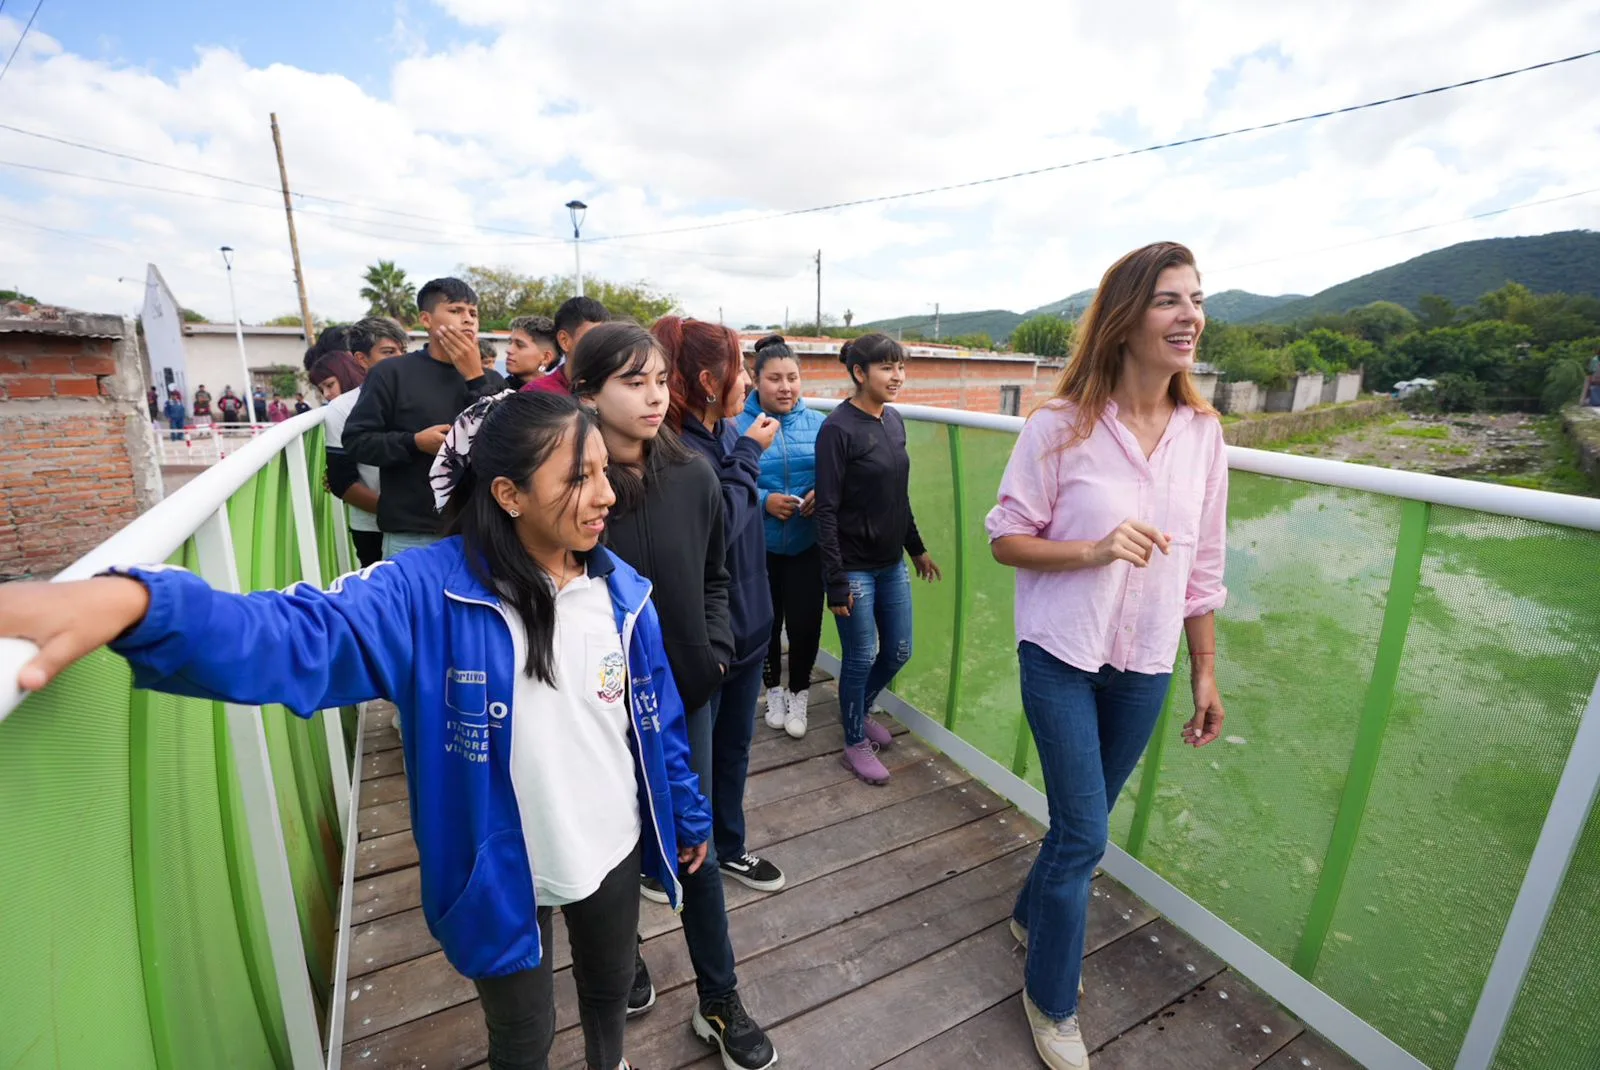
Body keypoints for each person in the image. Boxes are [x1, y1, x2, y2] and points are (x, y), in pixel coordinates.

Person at [2, 392, 711, 1070]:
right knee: (522, 1037)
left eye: (603, 475)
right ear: (508, 495)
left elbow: (657, 718)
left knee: (610, 986)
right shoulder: (425, 593)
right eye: (578, 478)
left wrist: (686, 812)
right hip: (498, 871)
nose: (607, 496)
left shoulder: (621, 591)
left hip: (613, 843)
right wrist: (140, 603)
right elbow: (293, 632)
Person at [986, 241, 1228, 1070]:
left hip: (1147, 662)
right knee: (1086, 833)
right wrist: (1092, 549)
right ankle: (1051, 1001)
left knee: (1075, 832)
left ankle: (1028, 915)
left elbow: (1204, 565)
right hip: (1059, 652)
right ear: (1126, 319)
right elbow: (1006, 540)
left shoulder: (1204, 434)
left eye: (1196, 299)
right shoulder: (1059, 426)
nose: (1190, 314)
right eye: (1169, 299)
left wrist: (1204, 670)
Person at [563, 321, 779, 1070]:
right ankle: (624, 960)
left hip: (687, 696)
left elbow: (716, 575)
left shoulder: (692, 474)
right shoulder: (563, 487)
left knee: (698, 852)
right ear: (585, 393)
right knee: (611, 848)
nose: (654, 397)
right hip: (592, 712)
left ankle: (719, 998)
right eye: (633, 382)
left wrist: (713, 655)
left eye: (660, 380)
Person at [655, 316, 788, 900]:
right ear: (710, 380)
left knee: (734, 750)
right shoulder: (678, 450)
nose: (751, 379)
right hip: (711, 640)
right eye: (743, 368)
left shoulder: (723, 435)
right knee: (695, 765)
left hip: (748, 625)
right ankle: (676, 860)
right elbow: (720, 529)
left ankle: (728, 847)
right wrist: (749, 457)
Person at [813, 333, 942, 786]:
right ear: (859, 373)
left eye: (901, 367)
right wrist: (834, 581)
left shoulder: (894, 421)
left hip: (891, 562)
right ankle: (853, 741)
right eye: (887, 368)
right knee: (862, 654)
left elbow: (896, 497)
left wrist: (917, 548)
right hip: (853, 566)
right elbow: (825, 510)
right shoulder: (837, 429)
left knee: (900, 650)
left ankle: (857, 709)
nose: (898, 376)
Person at [345, 277, 503, 558]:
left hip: (479, 529)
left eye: (473, 313)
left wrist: (474, 377)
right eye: (455, 311)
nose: (467, 320)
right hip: (413, 533)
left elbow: (505, 443)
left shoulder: (490, 380)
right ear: (426, 319)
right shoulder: (391, 373)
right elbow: (357, 441)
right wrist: (414, 442)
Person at [735, 335, 826, 740]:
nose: (785, 387)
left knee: (806, 626)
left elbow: (838, 477)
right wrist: (763, 500)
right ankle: (773, 690)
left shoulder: (820, 425)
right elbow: (725, 483)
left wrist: (822, 493)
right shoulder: (738, 425)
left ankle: (799, 692)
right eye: (774, 378)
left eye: (792, 377)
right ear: (756, 380)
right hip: (758, 547)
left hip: (808, 545)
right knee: (766, 625)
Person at [313, 351, 384, 568]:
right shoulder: (339, 411)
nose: (326, 394)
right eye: (321, 389)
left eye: (329, 385)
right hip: (372, 524)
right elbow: (341, 481)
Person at [523, 296, 610, 395]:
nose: (601, 345)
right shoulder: (537, 395)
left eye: (606, 338)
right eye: (592, 338)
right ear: (564, 340)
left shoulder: (616, 389)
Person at [506, 315, 558, 390]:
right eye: (510, 342)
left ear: (546, 358)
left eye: (520, 345)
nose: (508, 350)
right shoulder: (495, 392)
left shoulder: (559, 396)